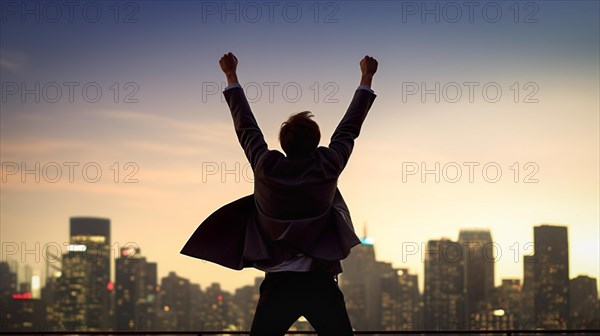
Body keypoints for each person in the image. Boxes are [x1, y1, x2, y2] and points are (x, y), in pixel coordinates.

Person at [181, 52, 378, 335]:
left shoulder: (266, 167)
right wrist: (366, 79)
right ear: (316, 142)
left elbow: (245, 127)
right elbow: (349, 130)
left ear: (283, 143)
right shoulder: (327, 166)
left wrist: (231, 76)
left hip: (279, 285)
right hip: (320, 283)